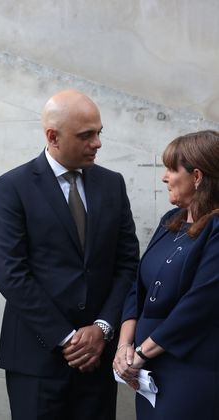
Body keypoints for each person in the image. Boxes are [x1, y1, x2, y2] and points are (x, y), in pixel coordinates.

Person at [0, 90, 140, 419]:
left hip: (98, 358)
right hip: (36, 357)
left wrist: (102, 329)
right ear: (52, 136)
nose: (97, 143)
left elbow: (127, 265)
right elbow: (10, 273)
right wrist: (68, 338)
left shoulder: (112, 184)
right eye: (86, 135)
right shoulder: (13, 186)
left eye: (99, 132)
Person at [113, 130, 219, 419]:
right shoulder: (169, 221)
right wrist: (124, 346)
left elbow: (199, 305)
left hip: (190, 369)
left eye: (172, 169)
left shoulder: (216, 228)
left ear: (197, 176)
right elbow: (138, 288)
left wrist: (140, 354)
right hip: (147, 372)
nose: (164, 177)